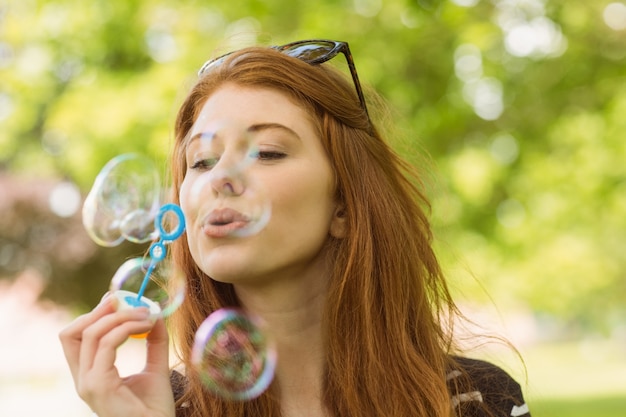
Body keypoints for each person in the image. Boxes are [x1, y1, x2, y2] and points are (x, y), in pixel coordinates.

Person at [59, 39, 531, 417]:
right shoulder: (159, 407)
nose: (219, 177)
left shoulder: (475, 401)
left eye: (266, 152)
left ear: (343, 206)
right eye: (200, 161)